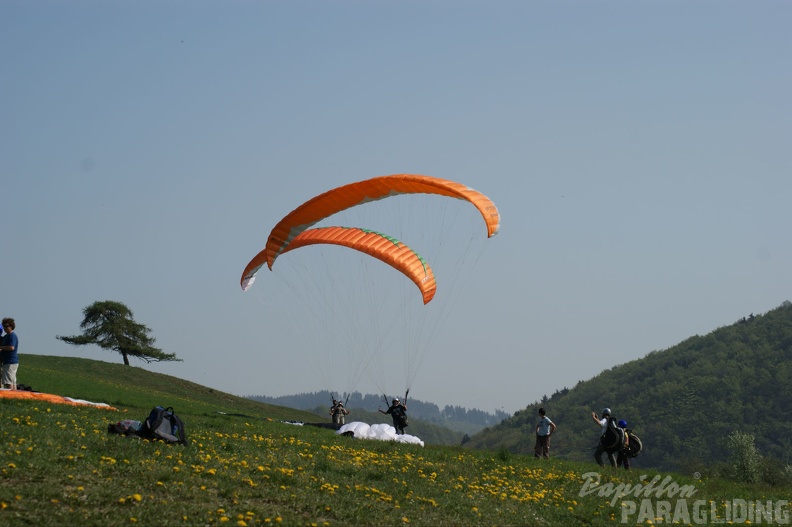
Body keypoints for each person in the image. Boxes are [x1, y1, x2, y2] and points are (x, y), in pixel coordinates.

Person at [1, 318, 19, 390]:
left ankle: (10, 396)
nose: (5, 328)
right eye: (3, 326)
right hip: (8, 362)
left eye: (6, 326)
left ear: (11, 326)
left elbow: (11, 347)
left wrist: (1, 347)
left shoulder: (12, 336)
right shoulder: (6, 336)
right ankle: (14, 396)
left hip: (10, 362)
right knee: (12, 381)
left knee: (9, 382)